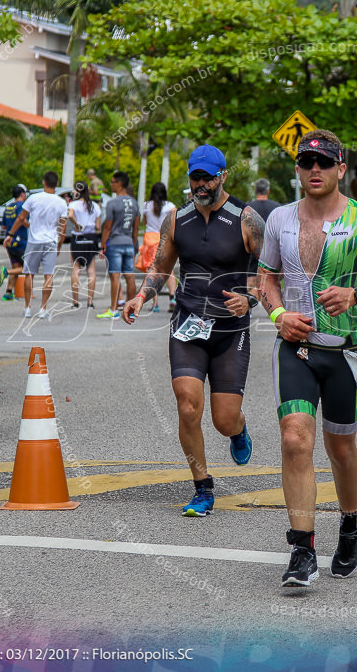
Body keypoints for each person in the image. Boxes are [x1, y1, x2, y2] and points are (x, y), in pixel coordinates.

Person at [257, 129, 357, 587]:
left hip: (345, 354)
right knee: (294, 440)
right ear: (297, 170)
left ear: (341, 168)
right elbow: (264, 279)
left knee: (341, 448)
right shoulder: (279, 220)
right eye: (306, 163)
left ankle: (349, 522)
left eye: (324, 163)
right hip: (295, 350)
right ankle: (302, 550)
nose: (315, 170)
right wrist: (279, 314)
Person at [122, 144, 262, 518]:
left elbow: (268, 273)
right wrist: (142, 296)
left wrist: (250, 299)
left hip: (231, 329)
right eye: (194, 178)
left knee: (223, 418)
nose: (200, 185)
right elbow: (161, 266)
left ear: (223, 176)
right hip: (188, 321)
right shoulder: (176, 219)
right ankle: (202, 487)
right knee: (187, 406)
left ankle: (238, 429)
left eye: (207, 178)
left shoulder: (246, 219)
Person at [6, 171, 67, 319]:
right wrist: (59, 244)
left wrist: (11, 235)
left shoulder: (34, 198)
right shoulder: (61, 202)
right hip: (51, 241)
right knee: (49, 275)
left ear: (44, 183)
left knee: (29, 273)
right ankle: (43, 308)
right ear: (57, 184)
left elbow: (21, 217)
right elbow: (63, 226)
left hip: (34, 241)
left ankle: (27, 308)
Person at [98, 171, 140, 319]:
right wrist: (133, 244)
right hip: (129, 243)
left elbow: (107, 227)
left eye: (113, 182)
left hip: (115, 243)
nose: (111, 184)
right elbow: (136, 227)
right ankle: (131, 309)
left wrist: (103, 245)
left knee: (115, 276)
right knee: (130, 276)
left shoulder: (112, 203)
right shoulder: (134, 203)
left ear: (120, 183)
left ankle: (114, 309)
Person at [137, 182, 177, 312]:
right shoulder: (170, 206)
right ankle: (172, 298)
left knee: (153, 271)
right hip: (165, 239)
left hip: (150, 239)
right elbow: (176, 220)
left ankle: (155, 303)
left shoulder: (146, 206)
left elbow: (145, 222)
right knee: (169, 270)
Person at [67, 181, 102, 309]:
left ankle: (75, 302)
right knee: (91, 271)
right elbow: (98, 226)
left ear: (78, 191)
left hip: (77, 238)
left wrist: (76, 224)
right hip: (91, 239)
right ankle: (90, 302)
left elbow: (70, 215)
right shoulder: (95, 206)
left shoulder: (73, 204)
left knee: (76, 270)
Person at [0, 185, 28, 301]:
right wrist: (31, 225)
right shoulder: (22, 206)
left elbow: (3, 226)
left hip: (9, 241)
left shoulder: (8, 207)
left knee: (16, 266)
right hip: (20, 240)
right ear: (22, 194)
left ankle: (8, 292)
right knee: (28, 268)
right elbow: (23, 220)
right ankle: (6, 272)